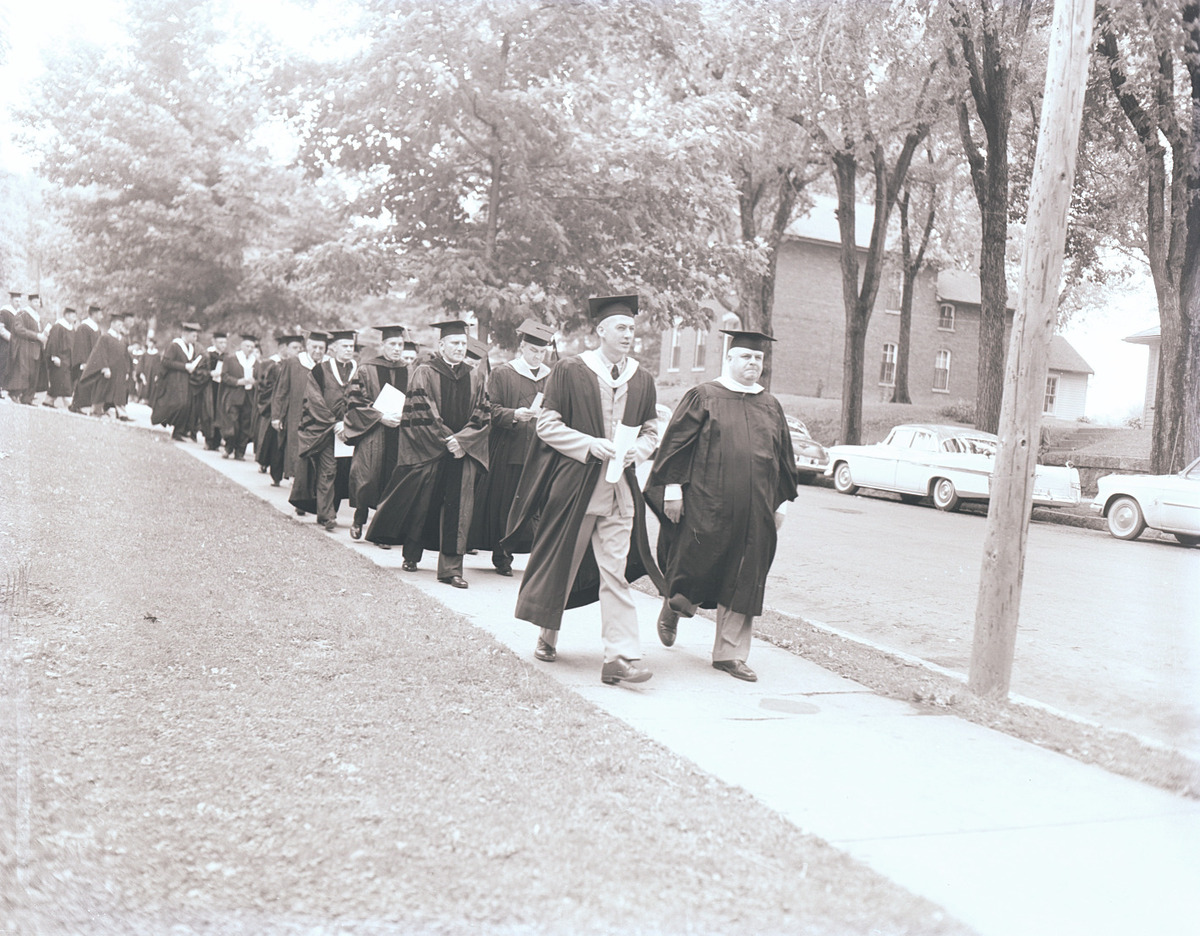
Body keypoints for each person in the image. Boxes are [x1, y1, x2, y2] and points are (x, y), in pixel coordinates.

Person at [503, 295, 662, 685]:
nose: (629, 334)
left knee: (616, 575)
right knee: (564, 564)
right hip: (576, 489)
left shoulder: (641, 378)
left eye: (632, 328)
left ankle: (620, 657)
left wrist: (636, 452)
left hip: (620, 492)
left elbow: (651, 431)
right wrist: (590, 445)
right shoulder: (571, 370)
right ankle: (547, 635)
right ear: (600, 330)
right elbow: (547, 425)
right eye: (621, 328)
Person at [645, 331, 800, 683]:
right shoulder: (703, 396)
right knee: (697, 566)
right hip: (707, 504)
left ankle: (729, 654)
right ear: (729, 359)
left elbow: (782, 459)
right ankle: (675, 605)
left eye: (758, 359)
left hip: (755, 510)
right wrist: (672, 489)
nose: (753, 364)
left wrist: (781, 504)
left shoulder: (770, 405)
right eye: (746, 357)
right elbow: (676, 446)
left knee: (745, 576)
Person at [365, 320, 490, 588]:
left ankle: (451, 569)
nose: (459, 348)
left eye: (463, 344)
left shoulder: (475, 375)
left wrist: (463, 441)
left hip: (461, 454)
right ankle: (412, 554)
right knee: (423, 503)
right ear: (441, 345)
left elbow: (482, 414)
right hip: (430, 449)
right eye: (454, 343)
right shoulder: (424, 372)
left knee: (459, 509)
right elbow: (423, 411)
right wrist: (448, 440)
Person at [469, 318, 554, 575]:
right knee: (506, 503)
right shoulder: (504, 373)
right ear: (522, 348)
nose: (538, 356)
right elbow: (490, 410)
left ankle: (535, 555)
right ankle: (502, 555)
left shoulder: (552, 377)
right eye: (533, 350)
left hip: (540, 451)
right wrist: (515, 414)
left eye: (542, 352)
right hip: (509, 449)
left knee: (537, 506)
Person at [345, 324, 410, 543]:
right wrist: (380, 417)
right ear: (382, 345)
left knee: (393, 481)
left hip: (400, 435)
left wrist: (405, 417)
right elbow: (355, 402)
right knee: (367, 478)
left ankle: (381, 531)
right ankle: (359, 517)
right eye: (392, 344)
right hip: (373, 433)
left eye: (400, 345)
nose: (397, 349)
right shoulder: (366, 369)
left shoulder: (410, 370)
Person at [290, 329, 357, 530]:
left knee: (347, 473)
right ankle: (327, 515)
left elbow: (363, 400)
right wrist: (334, 423)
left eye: (351, 347)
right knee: (328, 471)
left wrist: (350, 423)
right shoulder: (320, 370)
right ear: (334, 347)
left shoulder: (359, 370)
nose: (348, 350)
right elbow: (314, 400)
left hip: (351, 432)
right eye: (344, 346)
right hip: (327, 430)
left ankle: (328, 511)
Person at [272, 330, 328, 511]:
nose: (318, 351)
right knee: (297, 457)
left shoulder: (328, 366)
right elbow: (281, 391)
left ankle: (310, 499)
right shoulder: (293, 363)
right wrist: (276, 416)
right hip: (296, 417)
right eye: (315, 347)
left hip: (319, 421)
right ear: (307, 346)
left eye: (322, 347)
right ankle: (299, 500)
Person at [255, 333, 301, 485]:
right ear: (284, 348)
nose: (298, 350)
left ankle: (290, 474)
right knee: (276, 444)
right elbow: (266, 389)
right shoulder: (274, 366)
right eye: (294, 347)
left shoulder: (300, 366)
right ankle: (276, 475)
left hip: (293, 412)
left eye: (300, 348)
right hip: (277, 409)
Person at [150, 322, 208, 440]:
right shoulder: (175, 345)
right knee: (178, 404)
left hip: (186, 381)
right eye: (193, 336)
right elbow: (166, 362)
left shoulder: (191, 348)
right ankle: (162, 419)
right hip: (173, 380)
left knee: (186, 405)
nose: (195, 339)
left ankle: (178, 431)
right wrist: (185, 366)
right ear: (185, 334)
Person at [76, 311, 136, 419]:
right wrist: (104, 367)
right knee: (102, 391)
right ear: (112, 324)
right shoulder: (105, 337)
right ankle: (96, 410)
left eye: (121, 325)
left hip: (119, 372)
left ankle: (122, 413)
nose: (120, 327)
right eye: (118, 324)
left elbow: (126, 357)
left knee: (119, 392)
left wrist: (127, 371)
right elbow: (100, 353)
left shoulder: (122, 340)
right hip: (108, 371)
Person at [218, 333, 258, 460]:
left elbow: (260, 379)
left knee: (245, 425)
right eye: (247, 346)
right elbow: (224, 376)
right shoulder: (231, 359)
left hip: (249, 398)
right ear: (241, 346)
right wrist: (237, 382)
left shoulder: (256, 362)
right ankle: (228, 448)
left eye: (252, 346)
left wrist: (254, 382)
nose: (250, 349)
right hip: (233, 396)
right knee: (233, 423)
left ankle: (240, 452)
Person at [7, 294, 46, 405]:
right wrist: (36, 336)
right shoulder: (22, 313)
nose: (37, 304)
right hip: (25, 348)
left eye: (39, 302)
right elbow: (19, 329)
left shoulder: (37, 317)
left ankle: (27, 398)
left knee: (34, 374)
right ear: (29, 302)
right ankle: (15, 393)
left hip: (36, 349)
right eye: (35, 302)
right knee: (24, 373)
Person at [43, 306, 78, 408]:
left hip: (68, 359)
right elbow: (53, 342)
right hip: (59, 359)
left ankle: (48, 401)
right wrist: (54, 356)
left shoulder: (71, 328)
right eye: (73, 316)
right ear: (66, 315)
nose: (74, 318)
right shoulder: (58, 326)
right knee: (64, 383)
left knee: (58, 383)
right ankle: (70, 404)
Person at [70, 306, 101, 411]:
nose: (101, 316)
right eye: (99, 313)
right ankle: (78, 405)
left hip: (92, 361)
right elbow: (80, 346)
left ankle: (76, 405)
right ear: (94, 314)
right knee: (82, 382)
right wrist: (83, 361)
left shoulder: (96, 328)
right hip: (85, 361)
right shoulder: (84, 327)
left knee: (86, 383)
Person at [204, 331, 228, 450]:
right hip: (210, 387)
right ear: (214, 342)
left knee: (220, 413)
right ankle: (209, 441)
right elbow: (201, 371)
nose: (223, 345)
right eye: (221, 342)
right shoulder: (208, 355)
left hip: (221, 388)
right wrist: (209, 373)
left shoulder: (227, 357)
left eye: (225, 342)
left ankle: (217, 442)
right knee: (209, 413)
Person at [0, 290, 21, 398]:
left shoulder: (19, 314)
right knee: (2, 364)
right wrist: (12, 339)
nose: (18, 303)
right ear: (11, 300)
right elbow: (1, 329)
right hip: (4, 344)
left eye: (19, 301)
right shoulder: (4, 312)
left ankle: (6, 389)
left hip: (14, 345)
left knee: (10, 366)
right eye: (16, 301)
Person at [138, 335, 161, 404]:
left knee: (153, 386)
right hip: (146, 373)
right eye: (149, 343)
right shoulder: (145, 354)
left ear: (154, 344)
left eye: (151, 343)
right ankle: (143, 399)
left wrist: (157, 375)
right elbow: (141, 365)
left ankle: (151, 400)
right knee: (145, 384)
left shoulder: (157, 355)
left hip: (153, 374)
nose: (149, 344)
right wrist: (141, 373)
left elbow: (159, 366)